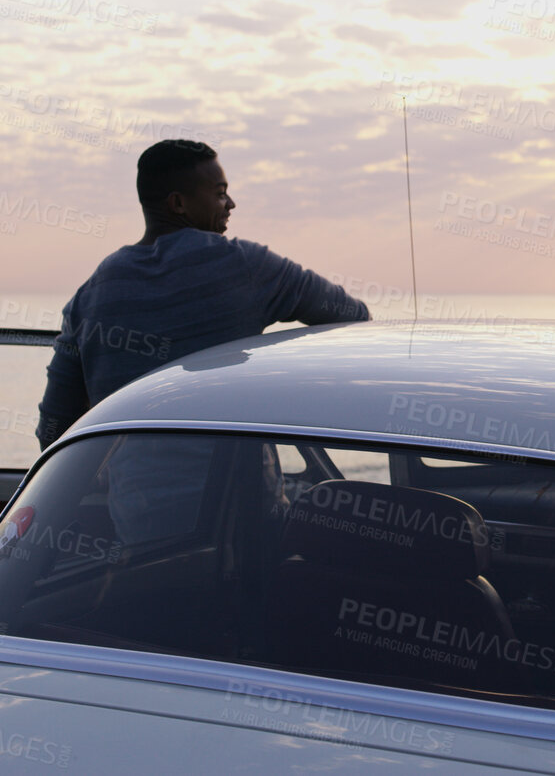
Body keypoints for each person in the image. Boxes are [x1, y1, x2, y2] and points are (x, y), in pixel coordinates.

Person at [34, 139, 370, 541]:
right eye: (220, 194)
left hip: (141, 529)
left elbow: (54, 431)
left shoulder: (93, 295)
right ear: (178, 203)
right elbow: (352, 316)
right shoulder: (244, 266)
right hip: (245, 525)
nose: (231, 205)